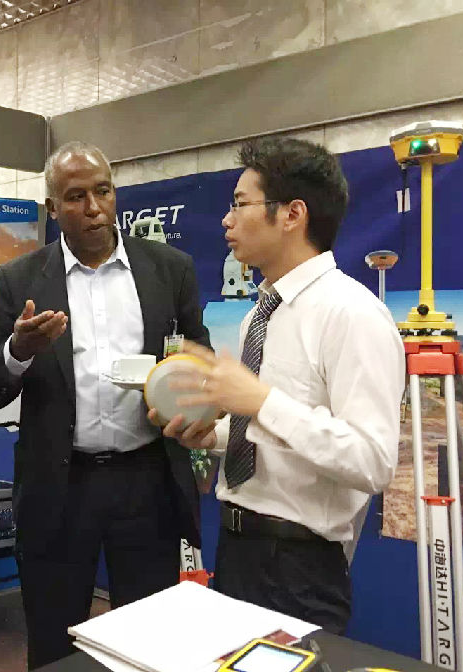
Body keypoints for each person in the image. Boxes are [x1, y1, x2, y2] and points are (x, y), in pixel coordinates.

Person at [0, 141, 212, 668]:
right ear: (53, 208)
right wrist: (19, 350)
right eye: (76, 197)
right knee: (54, 642)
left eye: (103, 191)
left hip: (146, 481)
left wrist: (184, 393)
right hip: (60, 486)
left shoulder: (169, 269)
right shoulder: (20, 280)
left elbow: (199, 355)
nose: (94, 207)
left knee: (148, 640)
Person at [152, 137, 404, 633]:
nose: (226, 220)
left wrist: (262, 401)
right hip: (235, 547)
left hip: (299, 568)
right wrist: (214, 436)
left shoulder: (353, 314)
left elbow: (373, 461)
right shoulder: (261, 314)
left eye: (240, 204)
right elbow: (273, 436)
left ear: (292, 214)